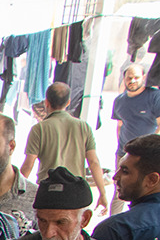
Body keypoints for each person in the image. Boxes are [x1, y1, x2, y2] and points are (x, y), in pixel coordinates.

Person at [22, 82, 110, 214]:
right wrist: (102, 193)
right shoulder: (83, 127)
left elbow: (28, 165)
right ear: (68, 102)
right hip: (75, 191)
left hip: (49, 190)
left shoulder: (39, 129)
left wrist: (16, 190)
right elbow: (94, 162)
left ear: (46, 102)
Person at [111, 64, 160, 214]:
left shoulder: (153, 96)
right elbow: (119, 125)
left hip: (146, 156)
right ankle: (114, 221)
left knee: (144, 192)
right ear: (124, 79)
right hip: (124, 152)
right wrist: (122, 148)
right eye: (129, 78)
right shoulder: (119, 101)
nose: (133, 81)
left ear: (144, 77)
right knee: (119, 188)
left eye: (137, 77)